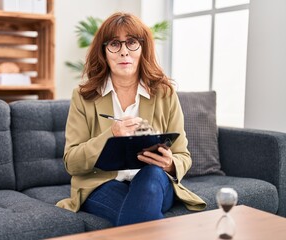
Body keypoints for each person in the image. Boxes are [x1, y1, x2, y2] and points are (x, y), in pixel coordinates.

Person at [56, 12, 206, 226]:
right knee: (141, 213)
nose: (124, 51)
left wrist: (170, 164)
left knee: (151, 176)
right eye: (115, 44)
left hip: (154, 180)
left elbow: (183, 154)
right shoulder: (83, 96)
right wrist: (111, 135)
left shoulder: (165, 93)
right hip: (103, 183)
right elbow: (72, 162)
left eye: (132, 42)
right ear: (104, 51)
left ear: (143, 48)